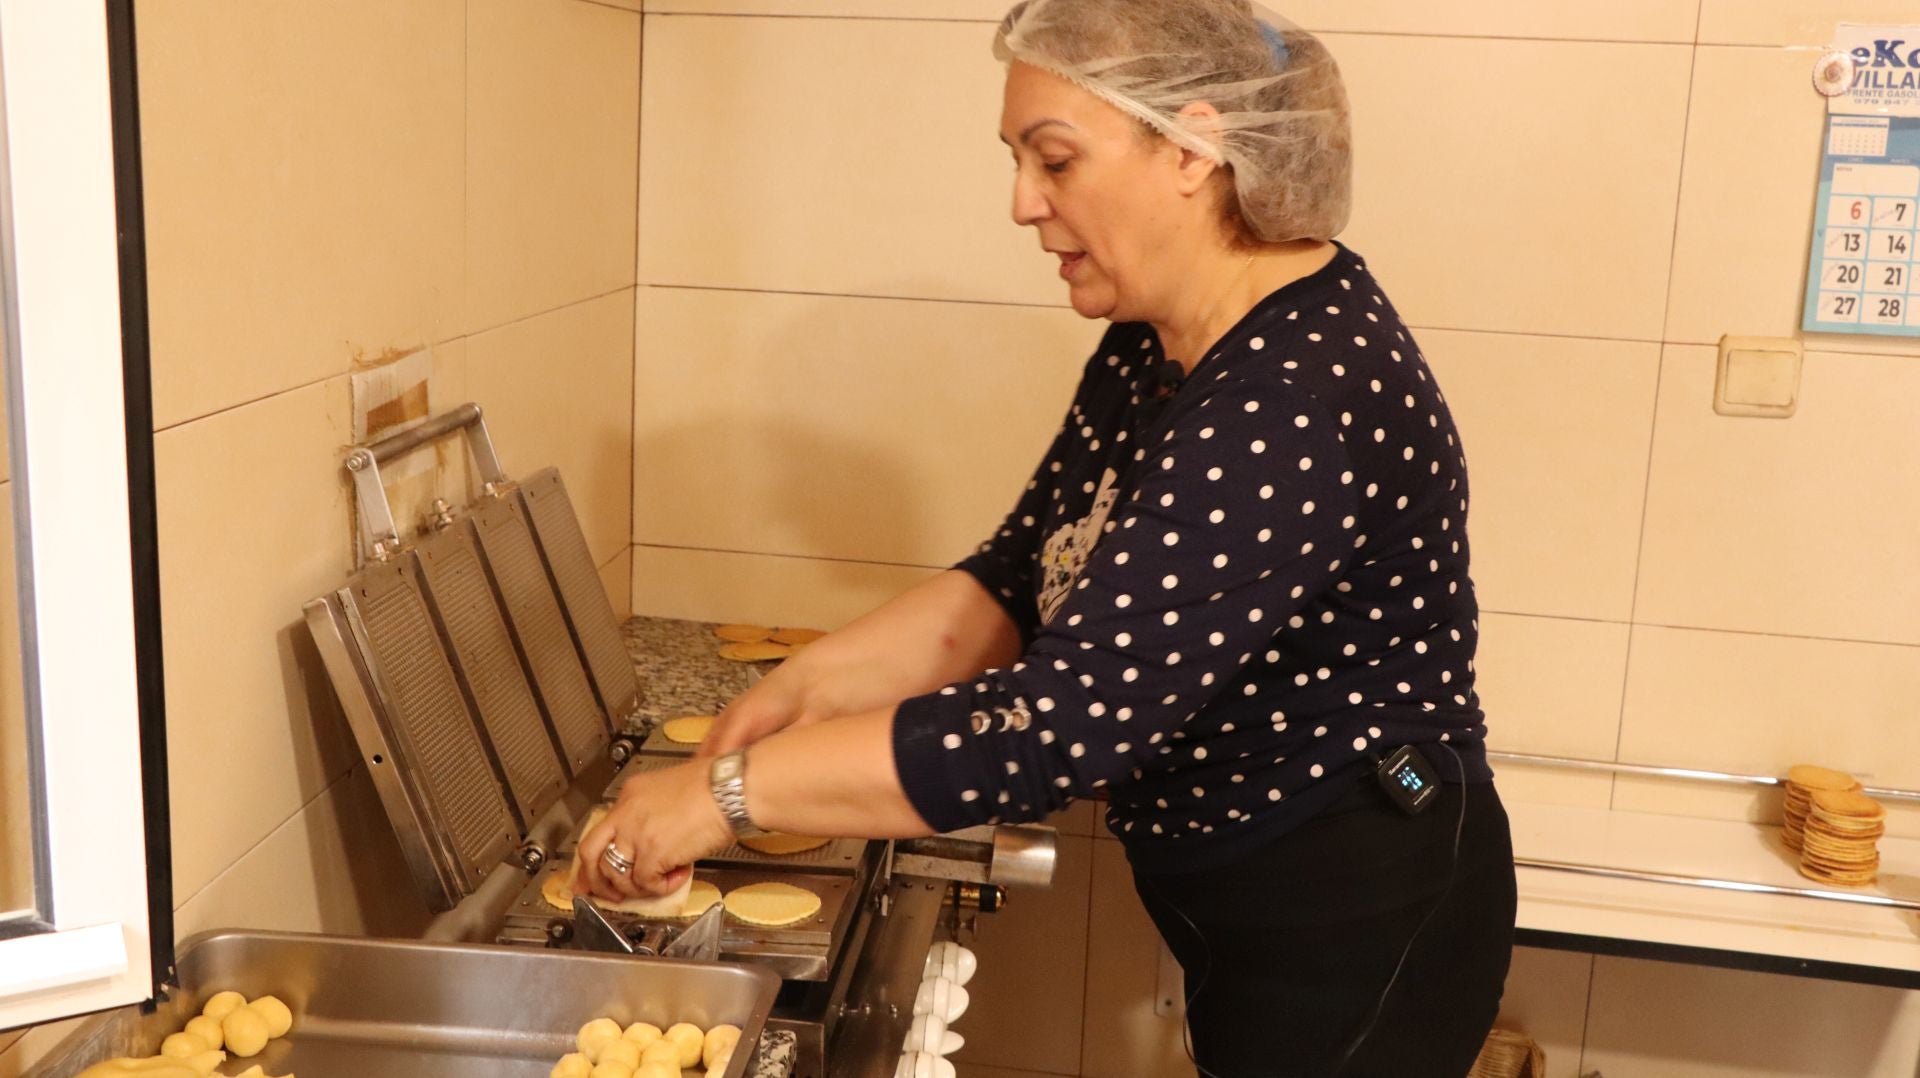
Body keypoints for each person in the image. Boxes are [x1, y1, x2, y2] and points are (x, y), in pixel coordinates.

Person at [579, 2, 1516, 1074]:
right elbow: (1025, 574)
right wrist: (809, 687)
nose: (1024, 202)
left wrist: (725, 797)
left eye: (1056, 159)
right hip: (1251, 895)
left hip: (1361, 913)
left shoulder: (1290, 395)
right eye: (1020, 158)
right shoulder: (1156, 340)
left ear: (1194, 149)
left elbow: (1050, 727)